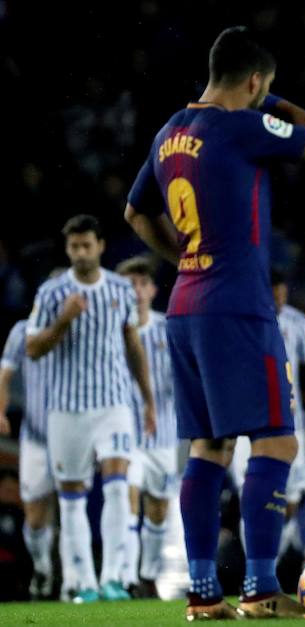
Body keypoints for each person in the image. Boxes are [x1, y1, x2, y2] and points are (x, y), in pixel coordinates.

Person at [123, 26, 305, 620]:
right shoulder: (242, 125)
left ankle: (202, 595)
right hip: (237, 306)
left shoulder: (170, 132)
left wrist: (185, 261)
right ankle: (261, 590)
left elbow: (135, 213)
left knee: (209, 447)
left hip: (185, 306)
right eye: (261, 87)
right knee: (276, 440)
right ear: (253, 81)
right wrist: (274, 102)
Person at [26, 214, 156, 603]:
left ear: (100, 246)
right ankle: (83, 582)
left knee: (117, 487)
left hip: (114, 404)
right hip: (66, 409)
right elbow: (33, 348)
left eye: (86, 245)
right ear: (68, 249)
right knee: (72, 499)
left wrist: (147, 399)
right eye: (74, 247)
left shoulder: (120, 289)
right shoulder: (52, 293)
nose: (80, 253)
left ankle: (113, 578)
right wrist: (63, 320)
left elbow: (133, 345)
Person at [230, 268, 305, 562]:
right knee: (254, 495)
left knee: (292, 498)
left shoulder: (296, 322)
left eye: (283, 295)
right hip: (248, 425)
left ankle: (274, 563)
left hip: (290, 424)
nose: (280, 302)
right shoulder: (238, 322)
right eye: (274, 297)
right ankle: (255, 568)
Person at [115, 257, 178, 599]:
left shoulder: (168, 328)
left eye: (142, 283)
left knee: (158, 511)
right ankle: (126, 577)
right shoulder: (109, 330)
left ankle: (148, 575)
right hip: (124, 437)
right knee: (127, 504)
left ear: (153, 290)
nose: (136, 291)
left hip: (163, 436)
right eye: (130, 284)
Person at [0, 316, 55, 599]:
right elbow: (5, 372)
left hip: (74, 432)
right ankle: (42, 566)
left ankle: (78, 581)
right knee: (35, 516)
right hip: (34, 435)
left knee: (73, 505)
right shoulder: (22, 331)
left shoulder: (82, 326)